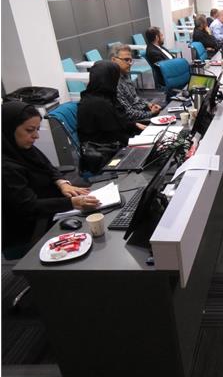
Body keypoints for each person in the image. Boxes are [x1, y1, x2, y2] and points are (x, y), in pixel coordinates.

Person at [2, 101, 100, 258]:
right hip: (30, 227)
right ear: (8, 129)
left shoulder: (22, 148)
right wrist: (72, 203)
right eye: (29, 130)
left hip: (51, 209)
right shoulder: (6, 167)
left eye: (37, 129)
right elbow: (29, 206)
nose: (36, 136)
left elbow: (49, 167)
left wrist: (62, 183)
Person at [78, 61, 145, 146]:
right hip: (104, 148)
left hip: (114, 141)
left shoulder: (103, 95)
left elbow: (118, 122)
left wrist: (134, 125)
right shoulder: (98, 104)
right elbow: (114, 135)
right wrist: (142, 141)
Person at [109, 43, 161, 122]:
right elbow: (128, 113)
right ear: (113, 60)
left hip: (139, 112)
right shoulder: (114, 82)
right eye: (126, 60)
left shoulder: (125, 74)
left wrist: (149, 104)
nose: (130, 63)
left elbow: (135, 98)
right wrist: (151, 113)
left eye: (131, 60)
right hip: (133, 121)